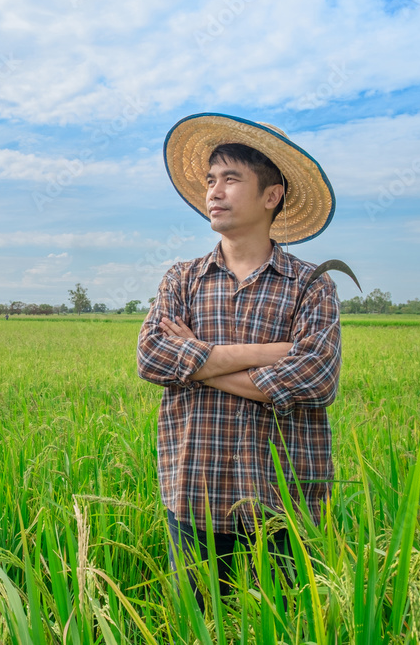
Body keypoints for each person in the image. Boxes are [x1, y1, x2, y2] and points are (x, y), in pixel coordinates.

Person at [137, 113, 342, 607]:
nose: (214, 191)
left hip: (285, 504)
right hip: (194, 496)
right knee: (196, 628)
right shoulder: (181, 279)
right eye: (210, 180)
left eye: (231, 179)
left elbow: (315, 379)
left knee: (292, 629)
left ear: (271, 196)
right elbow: (153, 357)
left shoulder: (311, 284)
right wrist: (270, 355)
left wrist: (199, 365)